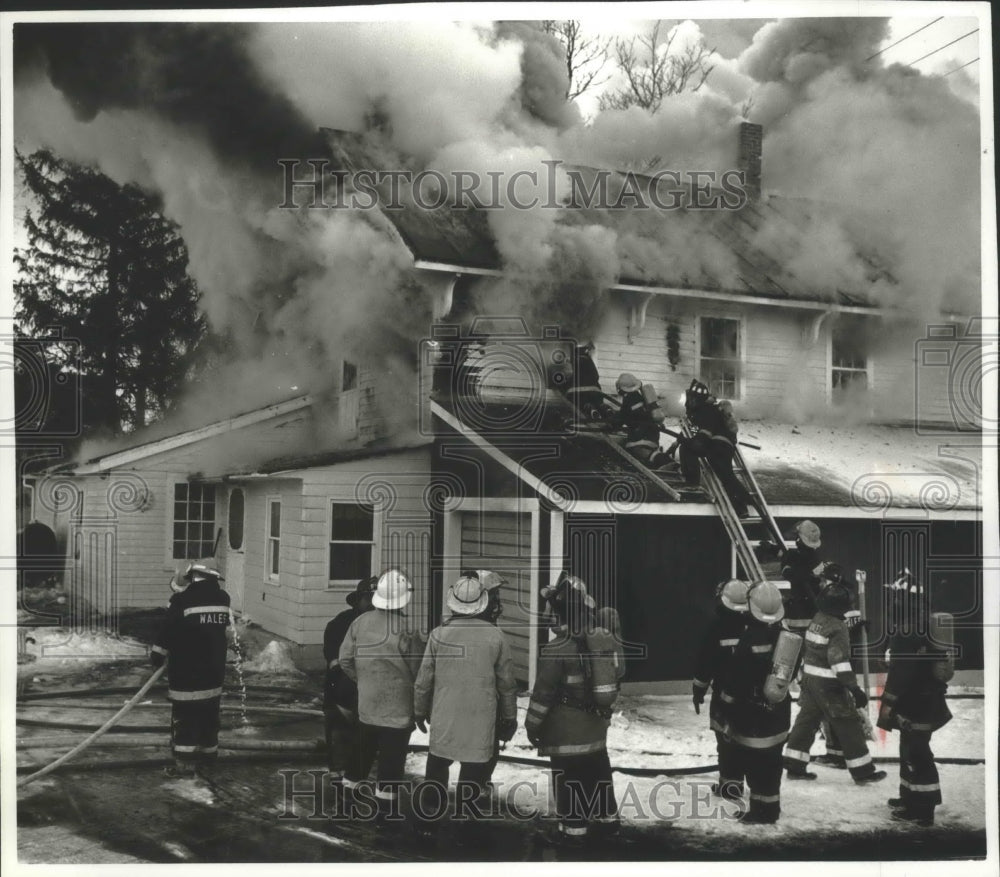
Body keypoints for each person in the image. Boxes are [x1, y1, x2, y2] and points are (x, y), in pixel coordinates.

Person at [413, 575, 518, 836]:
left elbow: (424, 679)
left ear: (453, 604)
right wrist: (509, 717)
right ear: (482, 603)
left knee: (437, 766)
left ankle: (429, 820)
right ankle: (467, 824)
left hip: (445, 714)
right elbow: (506, 684)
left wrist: (418, 710)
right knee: (474, 769)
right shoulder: (496, 637)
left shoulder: (439, 635)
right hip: (480, 717)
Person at [525, 573, 621, 846]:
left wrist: (532, 726)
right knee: (599, 775)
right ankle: (608, 823)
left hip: (565, 735)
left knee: (569, 780)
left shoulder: (556, 650)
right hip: (595, 730)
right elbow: (617, 672)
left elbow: (542, 696)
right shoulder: (598, 641)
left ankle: (573, 833)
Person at [339, 569, 425, 821]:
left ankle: (346, 805)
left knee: (360, 755)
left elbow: (345, 660)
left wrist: (364, 680)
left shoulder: (359, 622)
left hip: (367, 705)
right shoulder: (408, 630)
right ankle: (385, 816)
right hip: (398, 712)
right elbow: (418, 671)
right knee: (391, 762)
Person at [783, 577, 886, 785]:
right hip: (830, 686)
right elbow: (838, 661)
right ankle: (863, 771)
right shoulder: (838, 628)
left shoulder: (818, 618)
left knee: (806, 722)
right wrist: (854, 688)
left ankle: (794, 765)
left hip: (810, 682)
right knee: (848, 724)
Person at [878, 570, 953, 826]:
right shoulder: (923, 622)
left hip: (913, 702)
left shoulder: (906, 631)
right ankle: (909, 796)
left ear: (899, 601)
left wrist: (889, 701)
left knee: (917, 751)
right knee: (911, 748)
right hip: (927, 698)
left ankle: (922, 809)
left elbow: (901, 672)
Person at [720, 580, 791, 824]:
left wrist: (727, 708)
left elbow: (736, 682)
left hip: (752, 717)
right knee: (772, 764)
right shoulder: (786, 636)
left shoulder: (749, 640)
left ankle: (762, 812)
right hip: (779, 714)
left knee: (756, 766)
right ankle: (770, 808)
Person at [151, 561, 231, 778]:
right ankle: (208, 759)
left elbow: (167, 631)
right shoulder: (223, 599)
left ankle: (185, 766)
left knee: (185, 718)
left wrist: (157, 655)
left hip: (187, 674)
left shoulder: (181, 600)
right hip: (214, 674)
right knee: (209, 716)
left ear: (192, 575)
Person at [692, 579, 751, 801]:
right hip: (754, 697)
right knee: (749, 739)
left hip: (725, 697)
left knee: (726, 742)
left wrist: (698, 691)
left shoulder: (716, 628)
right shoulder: (757, 626)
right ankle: (756, 782)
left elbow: (704, 664)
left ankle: (730, 786)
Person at [323, 576, 378, 797]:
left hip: (372, 692)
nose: (373, 603)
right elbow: (335, 662)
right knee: (340, 733)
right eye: (368, 598)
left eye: (377, 598)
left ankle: (357, 778)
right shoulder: (339, 624)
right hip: (343, 689)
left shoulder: (388, 623)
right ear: (358, 600)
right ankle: (339, 778)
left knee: (365, 739)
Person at [675, 379, 756, 517]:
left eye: (692, 398)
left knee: (688, 448)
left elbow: (704, 435)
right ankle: (741, 507)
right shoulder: (711, 409)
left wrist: (688, 441)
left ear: (696, 399)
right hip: (724, 446)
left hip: (717, 447)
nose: (690, 402)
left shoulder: (706, 411)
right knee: (726, 476)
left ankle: (692, 483)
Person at [608, 373, 670, 468]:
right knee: (650, 454)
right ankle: (662, 461)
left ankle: (666, 463)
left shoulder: (629, 399)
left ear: (621, 388)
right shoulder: (641, 397)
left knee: (636, 451)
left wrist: (609, 424)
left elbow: (621, 418)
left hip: (639, 438)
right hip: (652, 435)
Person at [564, 342, 607, 422]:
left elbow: (569, 376)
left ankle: (589, 408)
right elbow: (596, 376)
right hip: (595, 390)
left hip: (577, 390)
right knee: (597, 402)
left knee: (581, 402)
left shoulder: (573, 360)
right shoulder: (589, 361)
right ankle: (605, 409)